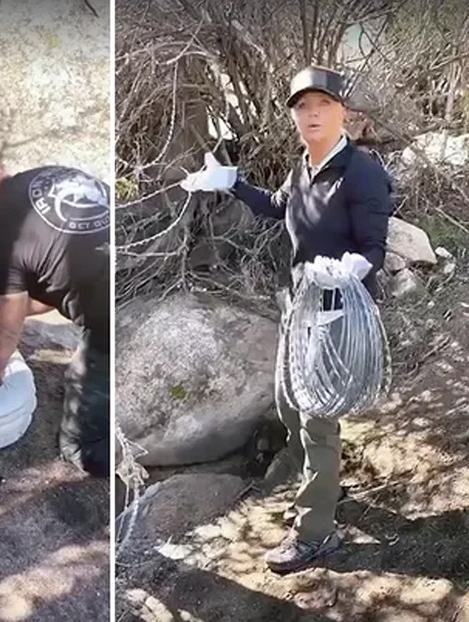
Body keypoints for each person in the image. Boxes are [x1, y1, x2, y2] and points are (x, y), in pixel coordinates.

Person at [180, 65, 394, 573]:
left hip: (337, 311)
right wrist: (230, 183)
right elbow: (279, 207)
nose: (312, 114)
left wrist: (347, 271)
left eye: (322, 105)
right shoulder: (304, 167)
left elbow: (374, 250)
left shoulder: (361, 173)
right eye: (302, 107)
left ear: (344, 112)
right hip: (296, 306)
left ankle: (315, 531)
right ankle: (318, 486)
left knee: (317, 419)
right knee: (289, 404)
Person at [0, 156, 111, 477]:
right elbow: (52, 280)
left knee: (80, 447)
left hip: (112, 319)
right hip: (140, 273)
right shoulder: (49, 174)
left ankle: (128, 458)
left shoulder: (4, 239)